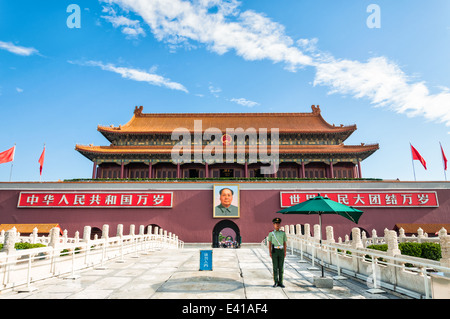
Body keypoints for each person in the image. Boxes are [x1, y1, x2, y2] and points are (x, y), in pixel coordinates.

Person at [267, 217, 287, 288]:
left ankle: (280, 282)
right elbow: (269, 243)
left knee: (281, 268)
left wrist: (285, 252)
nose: (277, 225)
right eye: (276, 224)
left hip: (281, 251)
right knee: (275, 267)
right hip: (274, 251)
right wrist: (270, 252)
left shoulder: (283, 233)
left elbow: (284, 243)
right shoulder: (271, 233)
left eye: (278, 223)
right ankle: (275, 282)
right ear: (273, 225)